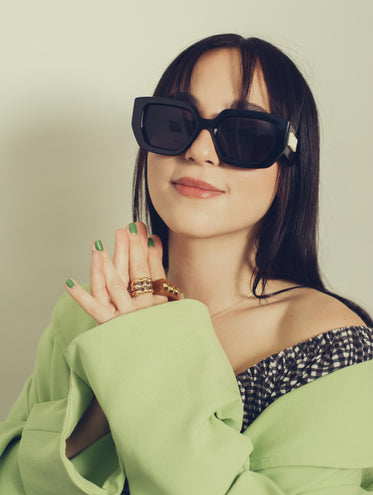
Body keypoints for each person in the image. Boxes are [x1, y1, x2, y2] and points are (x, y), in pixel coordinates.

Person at [0, 33, 372, 494]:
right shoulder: (87, 313)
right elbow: (13, 479)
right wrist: (101, 402)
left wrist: (147, 365)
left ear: (291, 161)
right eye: (175, 122)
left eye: (245, 133)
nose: (199, 150)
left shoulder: (327, 342)